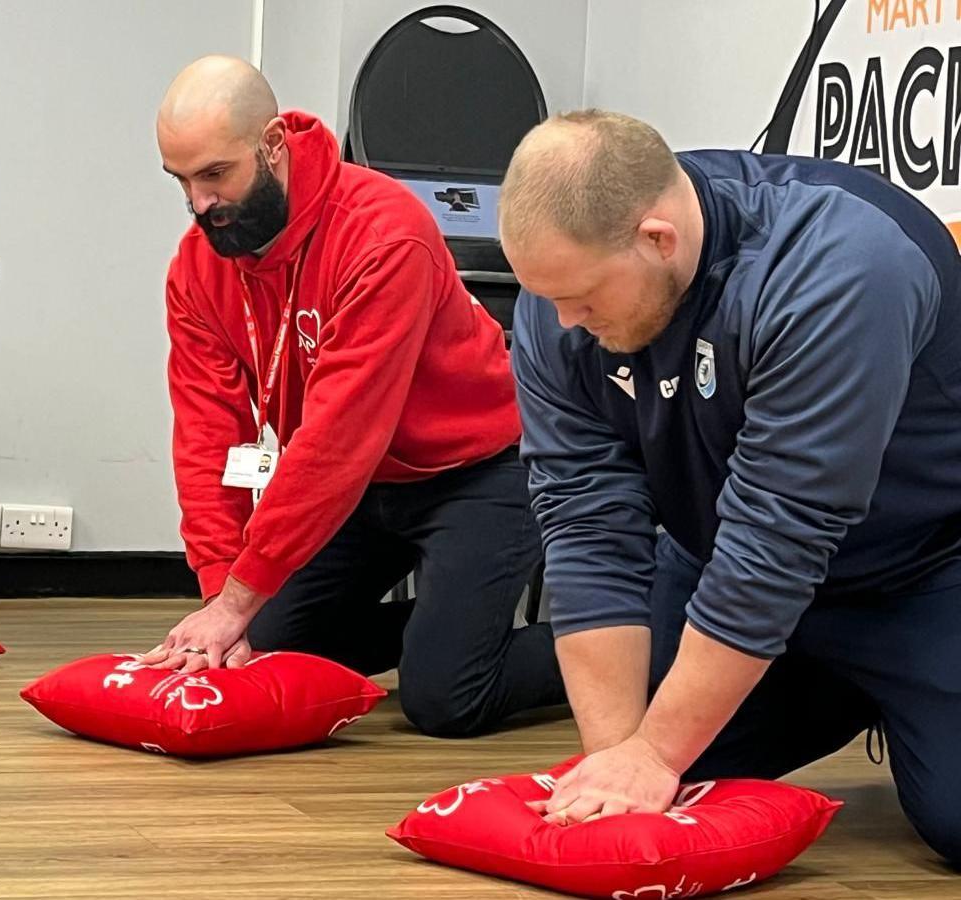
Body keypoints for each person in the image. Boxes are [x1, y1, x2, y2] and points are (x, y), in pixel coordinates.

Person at [504, 109, 961, 864]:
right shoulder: (563, 289)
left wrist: (655, 754)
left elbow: (777, 538)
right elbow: (585, 525)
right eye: (546, 297)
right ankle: (835, 692)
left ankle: (893, 694)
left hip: (920, 571)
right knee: (655, 772)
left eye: (582, 298)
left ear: (658, 239)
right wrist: (626, 756)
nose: (565, 323)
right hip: (720, 558)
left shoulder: (840, 266)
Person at [140, 56, 565, 737]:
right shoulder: (198, 268)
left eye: (216, 174)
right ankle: (444, 634)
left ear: (273, 143)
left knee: (446, 701)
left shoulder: (383, 234)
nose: (199, 204)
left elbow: (339, 439)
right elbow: (205, 438)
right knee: (259, 650)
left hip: (479, 469)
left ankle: (641, 638)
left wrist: (238, 603)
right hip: (365, 489)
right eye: (181, 181)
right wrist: (224, 598)